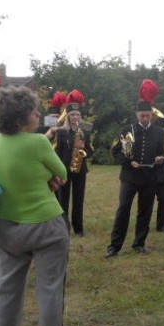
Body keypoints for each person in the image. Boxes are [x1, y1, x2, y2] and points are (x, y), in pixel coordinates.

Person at [0, 85, 70, 326]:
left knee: (6, 292)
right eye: (33, 110)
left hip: (8, 227)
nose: (38, 114)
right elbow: (62, 172)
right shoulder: (37, 144)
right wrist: (48, 177)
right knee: (49, 291)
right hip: (46, 225)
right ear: (22, 118)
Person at [106, 79, 164, 257]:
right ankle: (114, 246)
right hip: (130, 177)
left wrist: (160, 158)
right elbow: (116, 151)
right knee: (123, 208)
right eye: (142, 116)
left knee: (145, 211)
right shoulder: (127, 130)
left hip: (149, 177)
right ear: (137, 114)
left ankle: (139, 243)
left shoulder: (158, 132)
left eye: (148, 116)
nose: (145, 119)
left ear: (151, 115)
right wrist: (127, 162)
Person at [54, 90, 93, 237]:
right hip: (64, 169)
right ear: (68, 117)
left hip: (80, 169)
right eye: (72, 115)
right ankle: (64, 227)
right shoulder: (62, 132)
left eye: (77, 115)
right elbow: (58, 152)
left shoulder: (85, 132)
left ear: (80, 116)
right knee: (63, 200)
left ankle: (79, 228)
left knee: (78, 199)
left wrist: (84, 149)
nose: (75, 117)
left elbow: (90, 151)